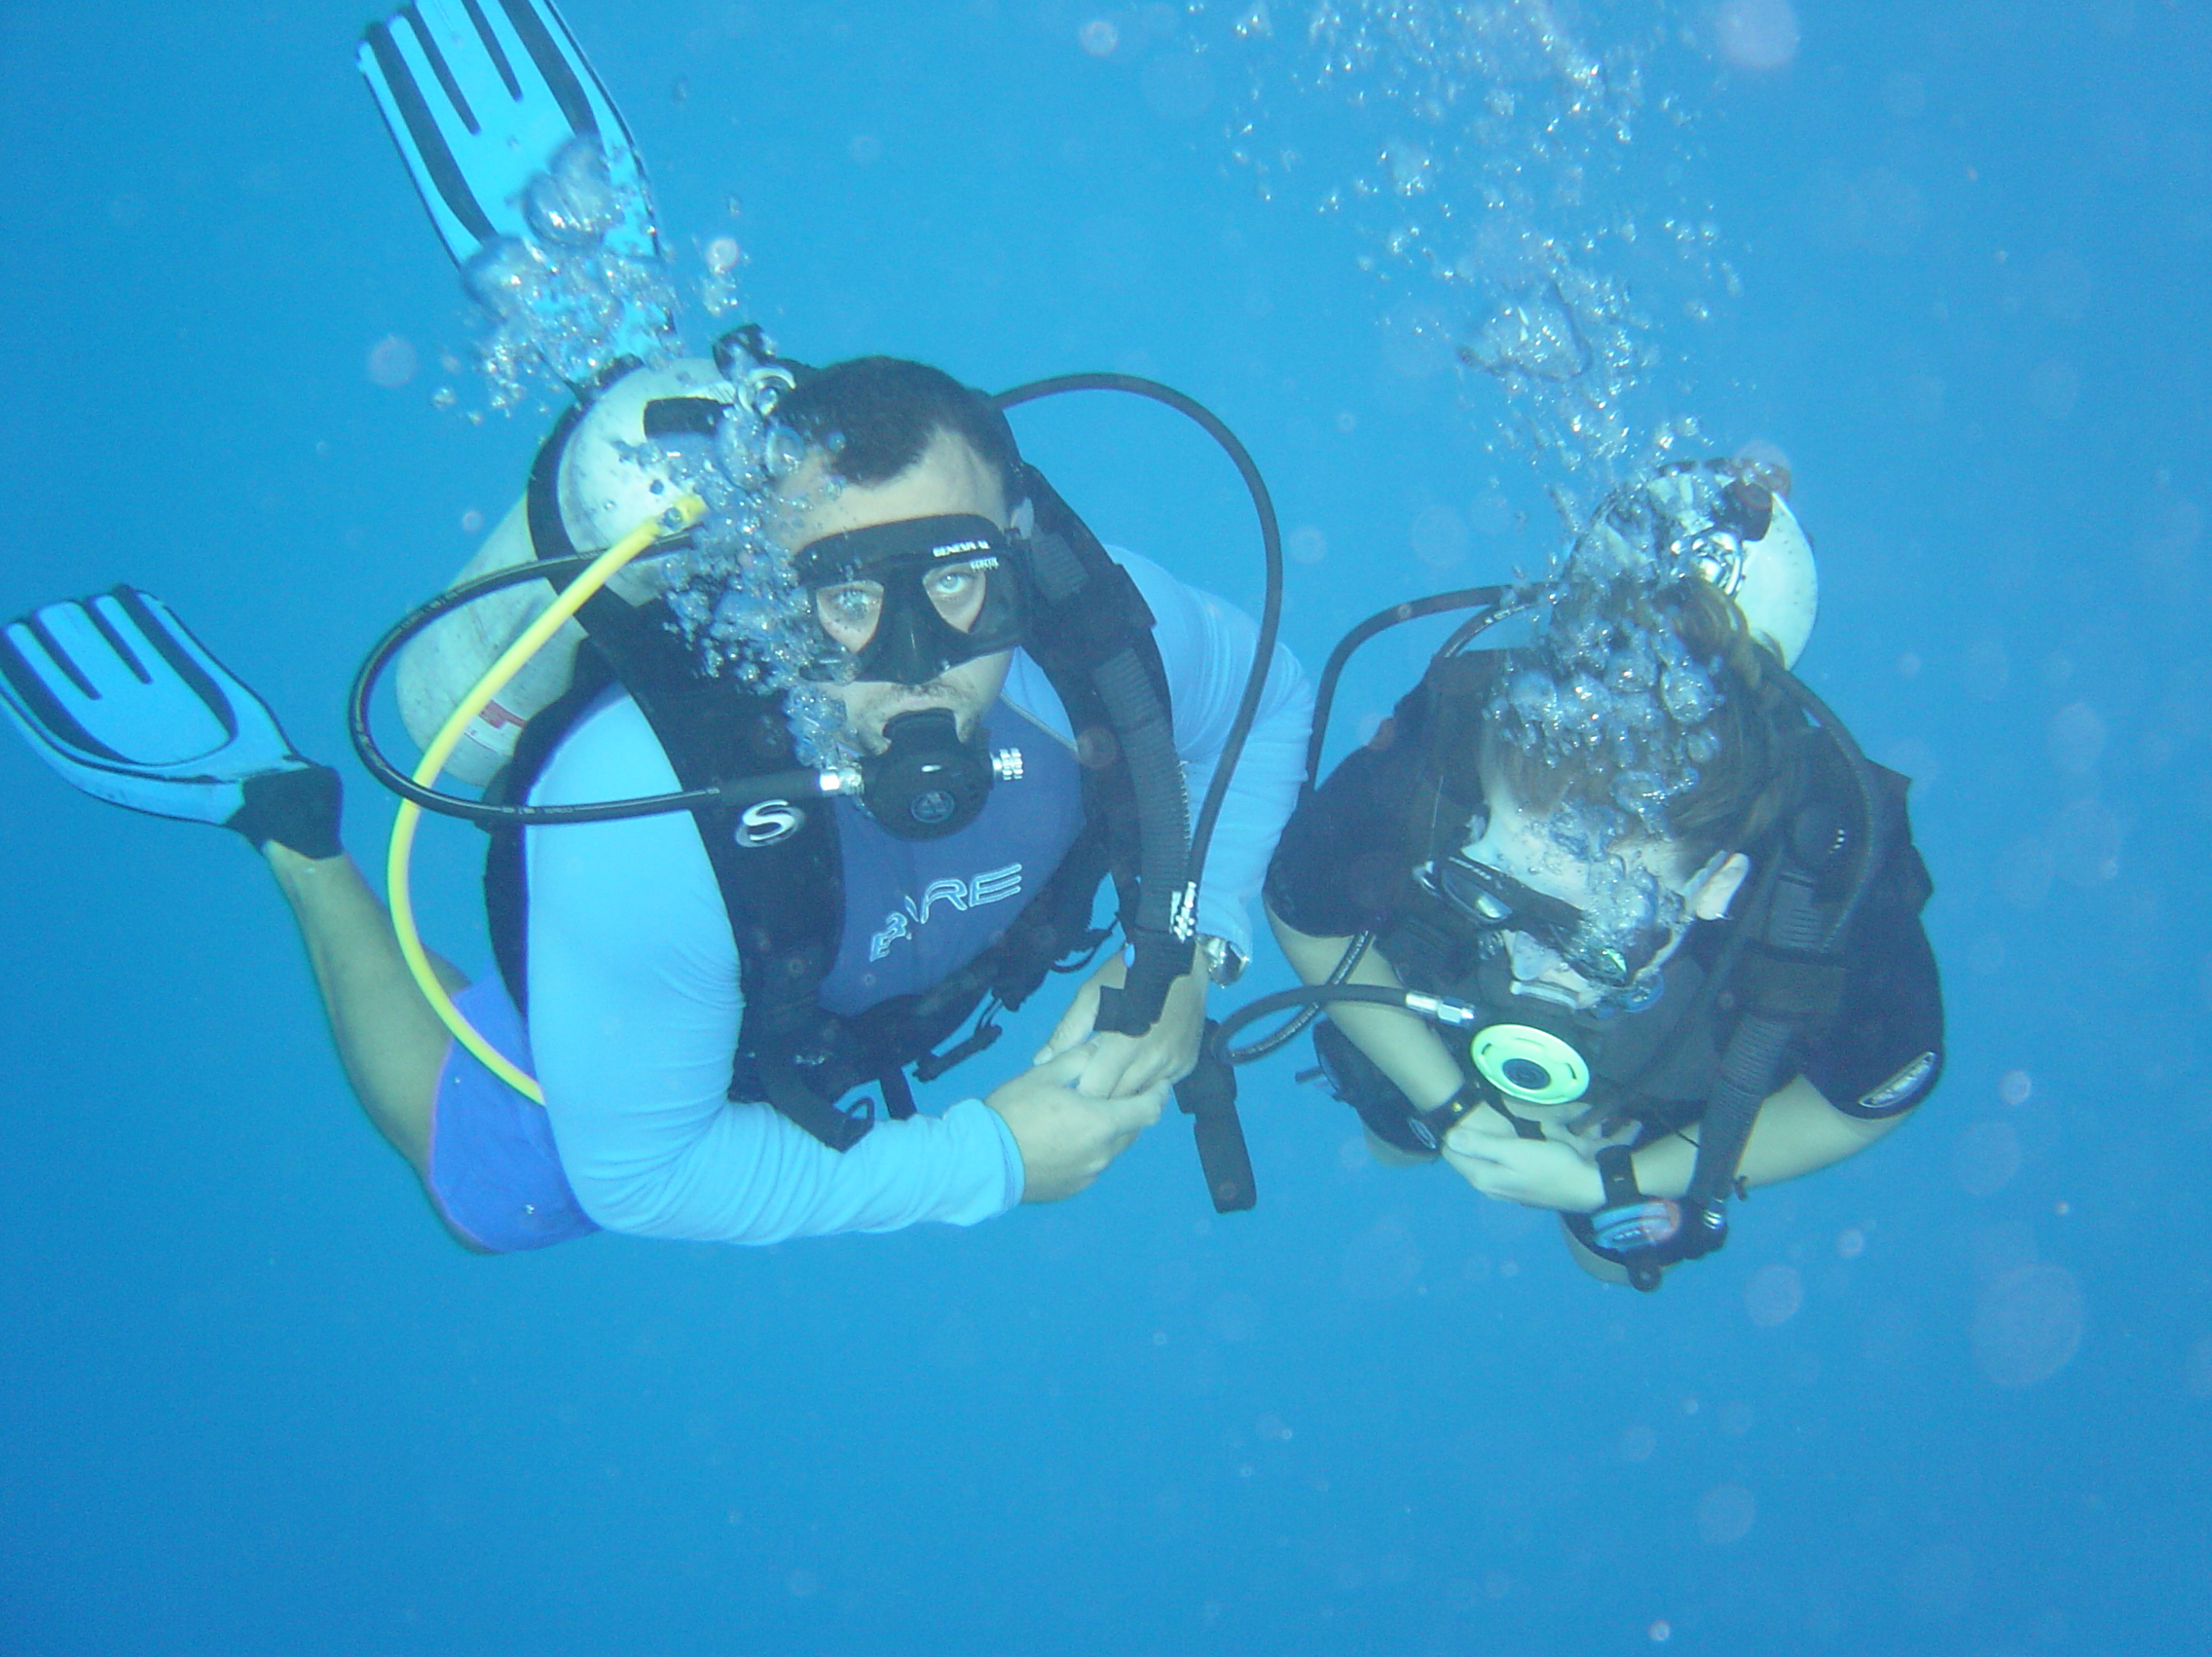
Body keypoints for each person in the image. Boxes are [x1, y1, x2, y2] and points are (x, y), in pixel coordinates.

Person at [1, 354, 1310, 1253]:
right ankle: (285, 825)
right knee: (494, 1192)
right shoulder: (645, 815)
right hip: (696, 994)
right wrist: (993, 1163)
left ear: (1018, 546)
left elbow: (1272, 696)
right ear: (768, 598)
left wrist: (1193, 943)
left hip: (851, 989)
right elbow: (642, 1174)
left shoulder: (1102, 636)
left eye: (958, 580)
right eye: (846, 600)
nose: (916, 657)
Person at [1261, 462, 1942, 1286]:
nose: (1531, 970)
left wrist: (1615, 1179)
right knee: (1392, 1125)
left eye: (1593, 944)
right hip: (1446, 988)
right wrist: (1451, 1105)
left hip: (1677, 1061)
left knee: (1612, 1257)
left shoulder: (1822, 882)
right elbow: (1301, 907)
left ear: (1718, 885)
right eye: (1493, 888)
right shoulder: (1444, 751)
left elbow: (1875, 1095)